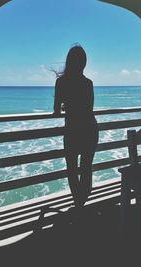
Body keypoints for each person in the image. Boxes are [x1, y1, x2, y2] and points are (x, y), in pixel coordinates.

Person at [53, 44, 98, 209]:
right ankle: (81, 204)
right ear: (84, 63)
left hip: (72, 132)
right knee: (86, 169)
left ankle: (78, 205)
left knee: (72, 169)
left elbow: (57, 111)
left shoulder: (61, 82)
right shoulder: (88, 83)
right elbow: (88, 109)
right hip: (90, 130)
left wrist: (66, 107)